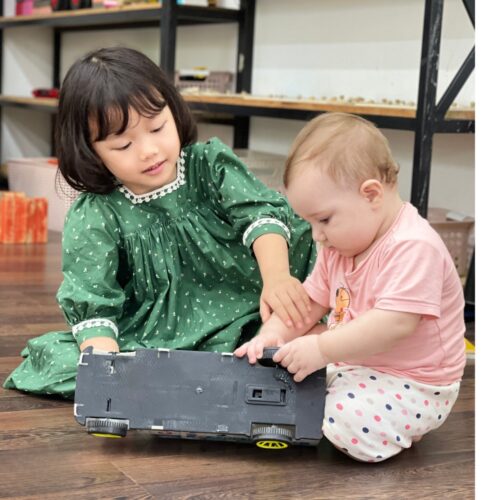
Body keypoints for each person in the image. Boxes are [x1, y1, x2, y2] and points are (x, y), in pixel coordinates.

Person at [2, 47, 316, 398]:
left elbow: (260, 214)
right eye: (123, 145)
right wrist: (107, 364)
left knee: (317, 251)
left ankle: (282, 339)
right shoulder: (96, 213)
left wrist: (277, 278)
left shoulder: (208, 164)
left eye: (157, 127)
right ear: (91, 151)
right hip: (159, 332)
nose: (149, 150)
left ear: (173, 111)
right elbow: (91, 296)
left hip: (251, 303)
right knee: (64, 361)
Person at [235, 113, 466, 462]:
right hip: (356, 365)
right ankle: (347, 397)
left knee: (341, 417)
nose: (317, 235)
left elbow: (394, 324)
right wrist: (271, 335)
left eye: (324, 220)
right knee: (290, 362)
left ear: (371, 194)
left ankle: (396, 421)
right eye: (309, 223)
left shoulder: (414, 246)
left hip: (415, 383)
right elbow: (308, 304)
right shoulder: (338, 248)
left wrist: (321, 349)